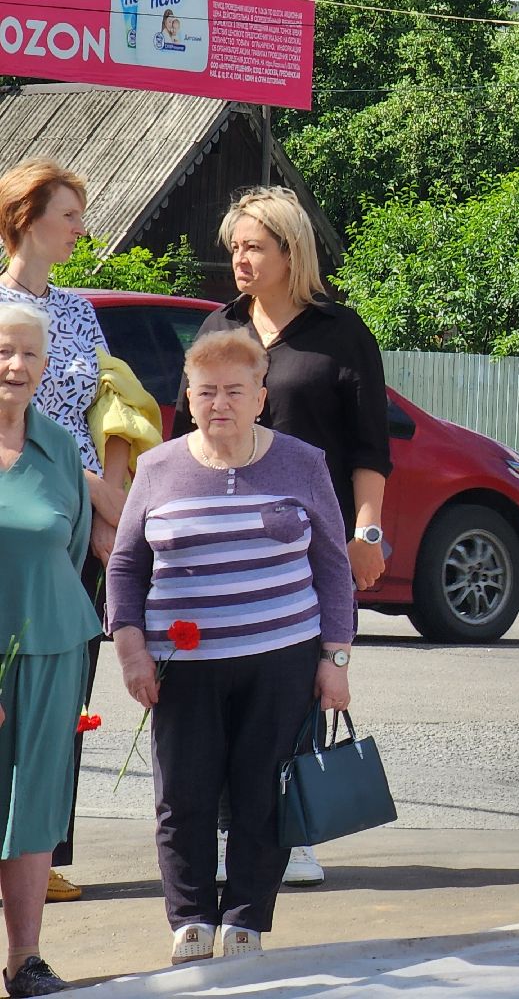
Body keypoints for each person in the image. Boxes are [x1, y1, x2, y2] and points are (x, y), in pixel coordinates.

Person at [108, 330, 354, 963]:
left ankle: (246, 916)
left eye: (234, 391)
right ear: (187, 398)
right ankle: (190, 918)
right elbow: (127, 566)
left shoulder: (302, 461)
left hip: (282, 658)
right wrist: (132, 649)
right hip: (181, 666)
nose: (220, 403)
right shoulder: (160, 467)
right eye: (206, 391)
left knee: (263, 791)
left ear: (260, 397)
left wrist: (335, 658)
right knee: (182, 794)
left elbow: (331, 565)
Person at [172, 186, 391, 887]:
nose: (238, 258)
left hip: (310, 543)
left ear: (290, 252)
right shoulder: (217, 329)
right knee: (222, 681)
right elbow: (186, 438)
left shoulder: (340, 332)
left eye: (253, 246)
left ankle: (289, 829)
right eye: (234, 246)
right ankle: (233, 825)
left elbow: (370, 448)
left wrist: (368, 531)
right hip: (223, 542)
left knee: (295, 685)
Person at [0, 158, 141, 905]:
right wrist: (86, 494)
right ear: (26, 219)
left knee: (67, 696)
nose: (82, 227)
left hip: (86, 515)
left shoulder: (80, 310)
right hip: (22, 511)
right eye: (70, 213)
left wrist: (109, 500)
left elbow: (112, 400)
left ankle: (45, 851)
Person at [0, 301, 101, 996]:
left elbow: (71, 547)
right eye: (4, 350)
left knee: (35, 803)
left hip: (53, 645)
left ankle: (25, 960)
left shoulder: (61, 446)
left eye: (30, 354)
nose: (16, 366)